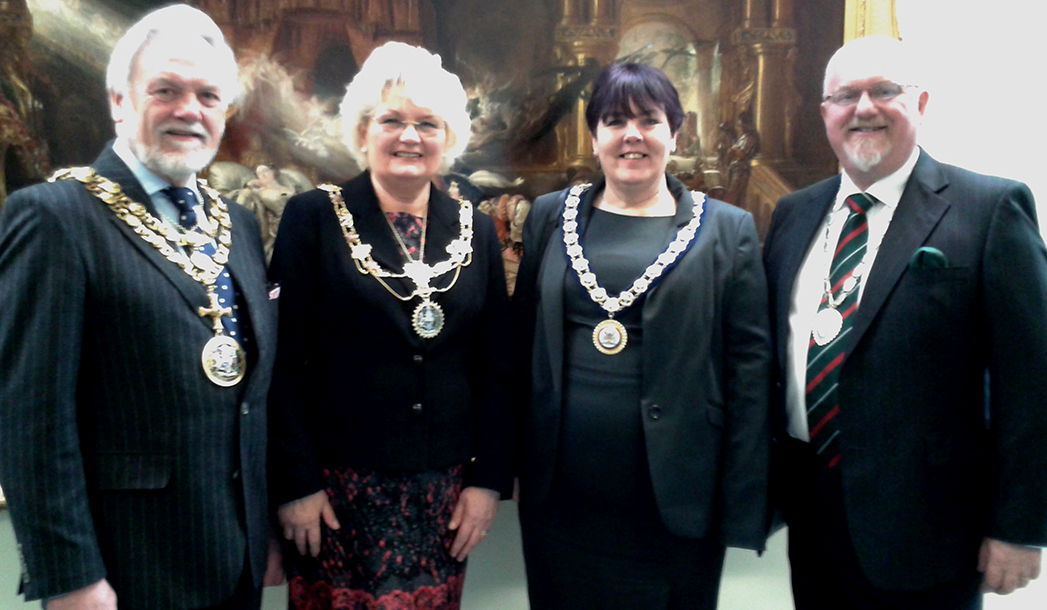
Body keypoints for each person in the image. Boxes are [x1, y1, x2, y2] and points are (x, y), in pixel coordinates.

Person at [0, 4, 278, 609]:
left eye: (208, 96)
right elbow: (31, 418)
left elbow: (250, 399)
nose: (189, 110)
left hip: (235, 560)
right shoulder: (53, 217)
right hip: (128, 569)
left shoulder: (236, 224)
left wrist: (265, 530)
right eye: (166, 90)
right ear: (119, 101)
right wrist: (69, 576)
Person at [763, 35, 1047, 609]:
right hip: (813, 511)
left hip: (932, 528)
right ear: (825, 114)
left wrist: (1020, 527)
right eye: (845, 96)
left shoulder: (989, 209)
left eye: (884, 91)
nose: (863, 108)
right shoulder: (794, 214)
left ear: (919, 104)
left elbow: (1034, 380)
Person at [513, 62, 772, 609]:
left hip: (678, 503)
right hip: (560, 503)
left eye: (649, 120)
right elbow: (519, 345)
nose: (632, 134)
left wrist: (742, 501)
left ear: (674, 133)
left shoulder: (727, 229)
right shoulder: (547, 217)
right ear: (594, 136)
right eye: (614, 120)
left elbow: (751, 373)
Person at [268, 41, 513, 609]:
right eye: (392, 120)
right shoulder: (313, 218)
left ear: (448, 138)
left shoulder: (475, 229)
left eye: (428, 123)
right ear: (361, 131)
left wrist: (487, 482)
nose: (410, 136)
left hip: (443, 495)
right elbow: (282, 364)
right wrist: (296, 484)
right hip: (334, 493)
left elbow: (497, 367)